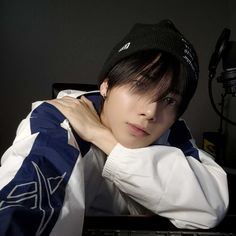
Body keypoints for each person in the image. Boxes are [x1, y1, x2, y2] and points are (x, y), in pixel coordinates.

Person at [0, 19, 229, 236]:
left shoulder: (173, 131)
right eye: (140, 86)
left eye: (169, 100)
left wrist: (101, 136)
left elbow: (210, 205)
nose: (150, 113)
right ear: (106, 85)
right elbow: (20, 210)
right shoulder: (59, 121)